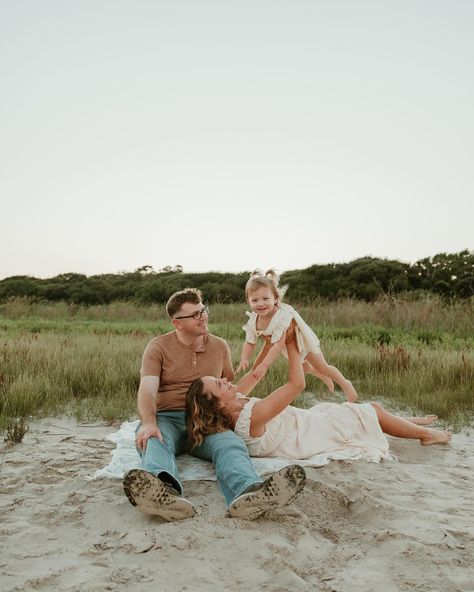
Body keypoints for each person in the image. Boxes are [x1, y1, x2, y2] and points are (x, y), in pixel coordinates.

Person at [123, 288, 306, 522]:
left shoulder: (219, 346)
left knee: (231, 444)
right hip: (167, 417)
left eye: (203, 310)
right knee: (152, 439)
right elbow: (147, 389)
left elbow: (229, 388)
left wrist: (268, 356)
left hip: (206, 420)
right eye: (195, 315)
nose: (204, 317)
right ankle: (163, 492)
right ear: (177, 323)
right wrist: (149, 423)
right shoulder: (158, 347)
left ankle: (247, 493)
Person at [187, 323, 451, 460]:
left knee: (365, 412)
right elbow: (296, 385)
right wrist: (291, 344)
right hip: (306, 436)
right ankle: (426, 434)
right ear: (219, 405)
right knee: (372, 410)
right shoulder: (251, 417)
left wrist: (274, 339)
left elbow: (258, 372)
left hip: (301, 423)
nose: (226, 380)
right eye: (219, 385)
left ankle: (406, 422)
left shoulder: (236, 401)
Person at [236, 269, 359, 402]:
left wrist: (265, 365)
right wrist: (244, 358)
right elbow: (249, 342)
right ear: (248, 301)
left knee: (322, 366)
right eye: (255, 300)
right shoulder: (253, 321)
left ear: (275, 298)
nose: (260, 304)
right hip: (281, 341)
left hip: (301, 339)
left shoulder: (280, 317)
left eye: (266, 298)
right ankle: (320, 374)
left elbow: (278, 346)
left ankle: (345, 383)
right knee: (304, 367)